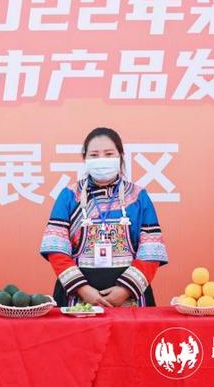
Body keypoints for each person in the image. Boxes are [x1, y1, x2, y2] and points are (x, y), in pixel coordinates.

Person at [40, 127, 168, 307]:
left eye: (109, 154)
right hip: (77, 298)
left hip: (131, 298)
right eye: (94, 155)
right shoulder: (70, 196)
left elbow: (151, 250)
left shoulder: (138, 197)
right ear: (85, 158)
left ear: (121, 156)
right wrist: (83, 289)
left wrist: (125, 290)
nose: (101, 160)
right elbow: (56, 250)